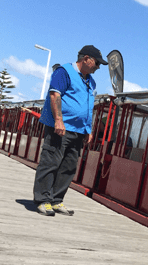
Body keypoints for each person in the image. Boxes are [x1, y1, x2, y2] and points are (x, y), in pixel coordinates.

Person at [33, 45, 107, 216]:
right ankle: (43, 200)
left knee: (68, 167)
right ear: (86, 58)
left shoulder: (91, 81)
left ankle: (56, 200)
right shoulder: (64, 72)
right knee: (51, 162)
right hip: (60, 128)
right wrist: (58, 120)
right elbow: (55, 95)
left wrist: (88, 129)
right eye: (97, 63)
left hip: (79, 130)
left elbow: (88, 107)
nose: (98, 67)